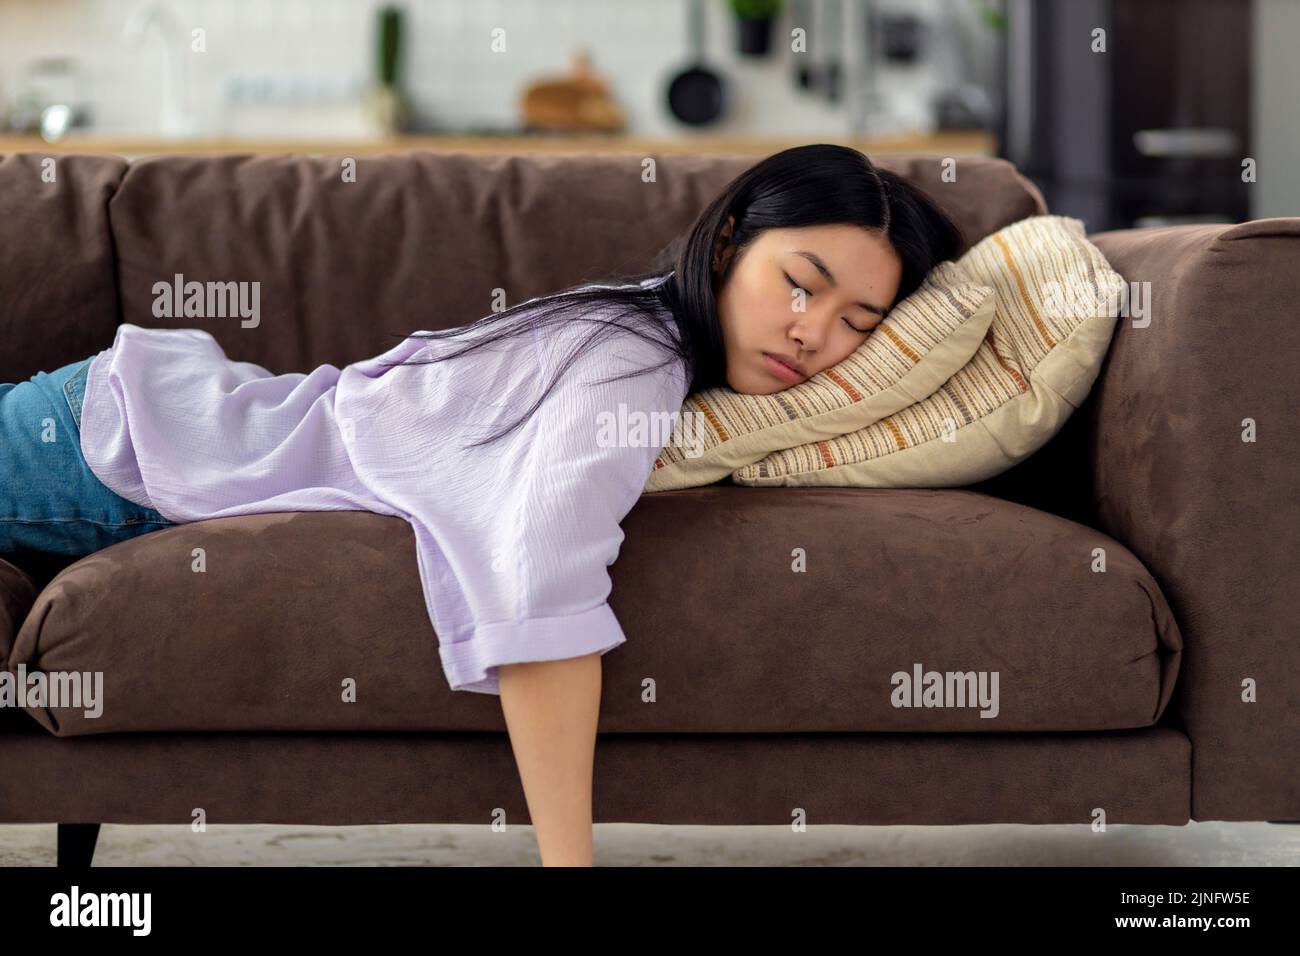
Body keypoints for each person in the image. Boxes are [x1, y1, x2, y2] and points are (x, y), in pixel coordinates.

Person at [0, 144, 962, 866]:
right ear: (726, 246)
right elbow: (542, 585)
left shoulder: (641, 333)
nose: (813, 335)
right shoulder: (630, 361)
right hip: (114, 455)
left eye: (857, 328)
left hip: (152, 411)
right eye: (800, 285)